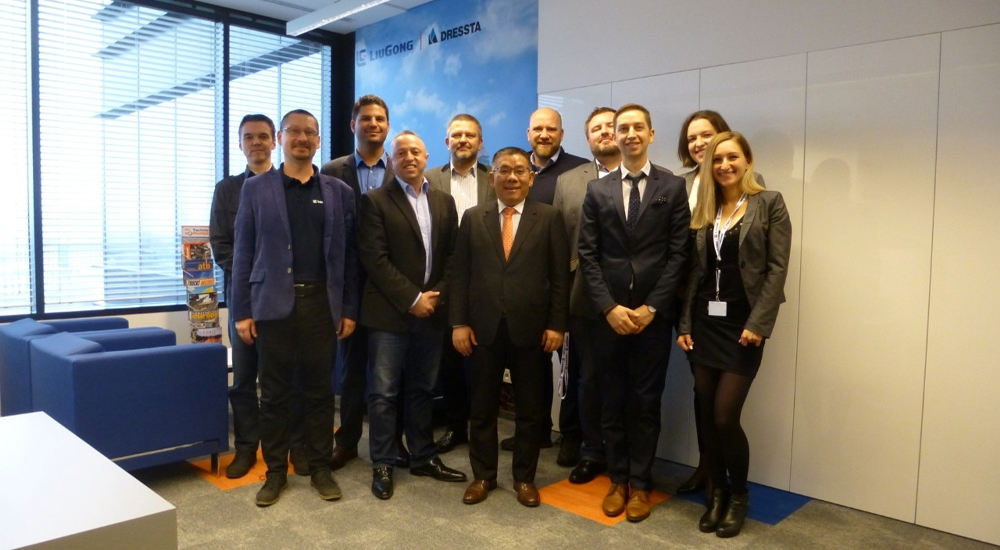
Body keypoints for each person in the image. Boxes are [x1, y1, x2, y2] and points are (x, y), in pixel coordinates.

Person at [231, 109, 359, 507]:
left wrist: (349, 308)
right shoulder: (256, 189)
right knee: (273, 394)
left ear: (318, 141)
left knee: (321, 392)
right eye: (294, 132)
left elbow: (349, 258)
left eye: (309, 133)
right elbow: (243, 253)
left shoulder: (339, 192)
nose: (302, 138)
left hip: (322, 305)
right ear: (280, 139)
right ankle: (274, 473)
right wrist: (241, 312)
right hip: (272, 306)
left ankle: (320, 467)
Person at [577, 103, 690, 522]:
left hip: (651, 319)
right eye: (622, 128)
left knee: (645, 402)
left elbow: (678, 255)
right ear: (615, 135)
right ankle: (618, 480)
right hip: (608, 318)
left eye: (637, 127)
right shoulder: (597, 190)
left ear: (651, 134)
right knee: (611, 400)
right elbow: (588, 255)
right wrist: (609, 308)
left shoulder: (672, 187)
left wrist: (651, 307)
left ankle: (641, 484)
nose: (630, 134)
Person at [676, 131, 791, 538]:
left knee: (726, 416)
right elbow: (695, 272)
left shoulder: (769, 203)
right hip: (704, 323)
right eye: (717, 159)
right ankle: (718, 494)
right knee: (707, 415)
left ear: (747, 161)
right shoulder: (705, 208)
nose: (724, 165)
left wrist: (758, 324)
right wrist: (685, 323)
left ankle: (739, 496)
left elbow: (777, 269)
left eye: (731, 157)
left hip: (743, 327)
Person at [451, 147, 569, 508]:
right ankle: (483, 476)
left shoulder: (549, 217)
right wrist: (459, 322)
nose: (512, 177)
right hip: (482, 329)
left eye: (520, 170)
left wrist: (557, 325)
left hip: (532, 329)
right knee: (482, 407)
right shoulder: (474, 217)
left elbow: (559, 277)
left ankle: (524, 478)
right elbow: (460, 275)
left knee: (530, 410)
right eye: (504, 170)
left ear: (531, 177)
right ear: (492, 178)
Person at [358, 130, 466, 500]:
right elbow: (375, 260)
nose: (409, 157)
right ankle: (383, 462)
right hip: (389, 315)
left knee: (422, 388)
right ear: (391, 160)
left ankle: (422, 456)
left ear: (426, 156)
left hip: (431, 314)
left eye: (415, 151)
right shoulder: (374, 201)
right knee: (384, 393)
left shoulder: (444, 201)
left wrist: (435, 297)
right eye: (401, 152)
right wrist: (412, 298)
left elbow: (453, 256)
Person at [674, 110, 765, 496]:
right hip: (693, 308)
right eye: (692, 137)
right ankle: (709, 475)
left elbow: (764, 262)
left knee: (722, 409)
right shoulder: (681, 187)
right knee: (704, 398)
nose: (699, 143)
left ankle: (721, 481)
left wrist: (758, 321)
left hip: (736, 314)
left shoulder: (754, 192)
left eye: (706, 135)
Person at [320, 95, 409, 471]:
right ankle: (347, 442)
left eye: (380, 119)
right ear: (352, 125)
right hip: (348, 288)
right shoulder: (331, 170)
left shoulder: (401, 168)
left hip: (389, 289)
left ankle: (392, 443)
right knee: (352, 372)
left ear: (388, 126)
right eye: (366, 118)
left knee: (391, 375)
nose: (374, 124)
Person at [499, 106, 587, 454]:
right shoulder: (515, 169)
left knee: (570, 364)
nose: (544, 134)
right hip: (524, 289)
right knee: (532, 367)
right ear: (528, 133)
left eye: (551, 129)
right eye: (538, 129)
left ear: (561, 134)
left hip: (565, 281)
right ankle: (537, 431)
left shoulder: (580, 170)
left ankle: (571, 435)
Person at [551, 107, 620, 477]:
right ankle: (592, 451)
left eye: (611, 126)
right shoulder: (568, 181)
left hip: (632, 296)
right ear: (587, 137)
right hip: (583, 296)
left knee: (628, 380)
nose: (604, 132)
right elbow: (559, 244)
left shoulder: (653, 179)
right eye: (596, 128)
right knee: (588, 378)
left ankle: (625, 453)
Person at [424, 114, 495, 454]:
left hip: (488, 280)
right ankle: (456, 427)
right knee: (451, 361)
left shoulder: (494, 178)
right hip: (445, 279)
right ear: (447, 141)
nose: (463, 140)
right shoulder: (429, 179)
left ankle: (483, 427)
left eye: (470, 135)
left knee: (484, 362)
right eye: (457, 135)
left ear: (480, 142)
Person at [209, 114, 275, 479]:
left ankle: (282, 447)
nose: (256, 142)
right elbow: (220, 244)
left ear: (274, 141)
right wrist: (252, 277)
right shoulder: (228, 190)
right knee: (245, 376)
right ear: (240, 144)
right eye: (249, 137)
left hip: (282, 297)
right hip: (243, 295)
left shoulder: (288, 185)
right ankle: (247, 448)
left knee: (281, 377)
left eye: (263, 136)